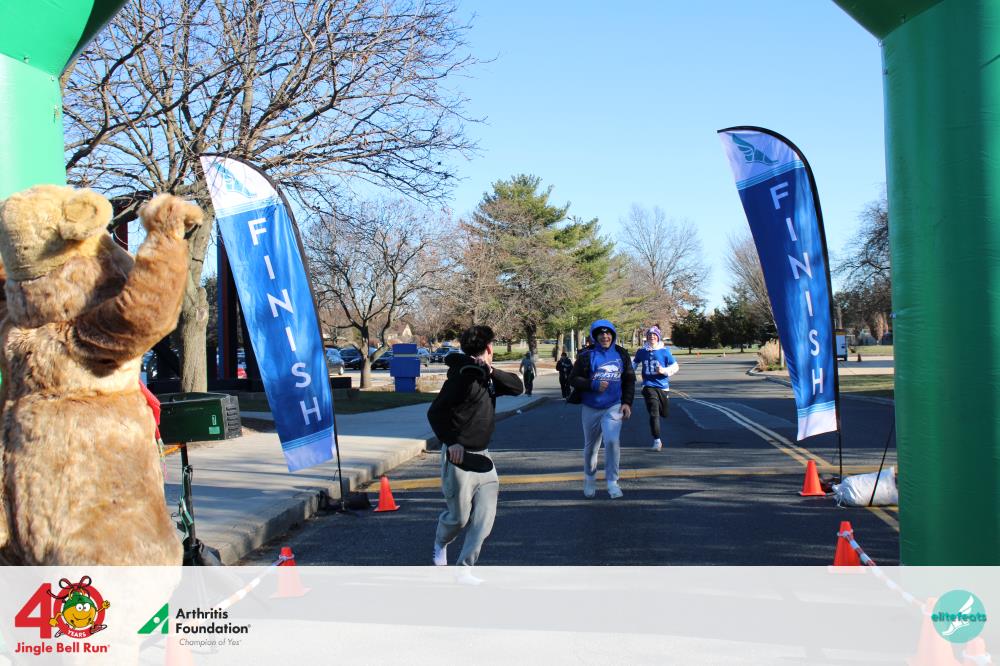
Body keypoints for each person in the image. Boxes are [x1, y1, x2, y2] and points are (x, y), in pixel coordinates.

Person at [427, 325, 523, 567]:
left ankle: (464, 569)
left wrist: (491, 371)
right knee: (459, 519)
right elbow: (435, 412)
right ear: (489, 347)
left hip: (483, 457)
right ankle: (441, 542)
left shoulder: (487, 376)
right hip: (458, 458)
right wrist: (451, 442)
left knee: (483, 521)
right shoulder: (462, 376)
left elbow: (517, 387)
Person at [568, 319, 635, 499]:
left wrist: (627, 402)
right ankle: (590, 478)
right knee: (591, 447)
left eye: (608, 333)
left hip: (613, 406)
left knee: (612, 441)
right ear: (595, 336)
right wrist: (592, 384)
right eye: (601, 334)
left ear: (613, 335)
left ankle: (612, 482)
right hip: (591, 407)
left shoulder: (621, 354)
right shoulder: (586, 355)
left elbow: (629, 379)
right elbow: (573, 379)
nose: (605, 336)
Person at [632, 325, 679, 450]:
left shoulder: (664, 351)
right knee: (654, 412)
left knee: (664, 413)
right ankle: (657, 440)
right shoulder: (642, 351)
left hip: (663, 386)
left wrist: (663, 370)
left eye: (654, 335)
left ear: (658, 337)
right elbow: (633, 365)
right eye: (649, 335)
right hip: (648, 385)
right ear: (646, 337)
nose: (651, 337)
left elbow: (675, 367)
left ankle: (657, 436)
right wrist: (626, 374)